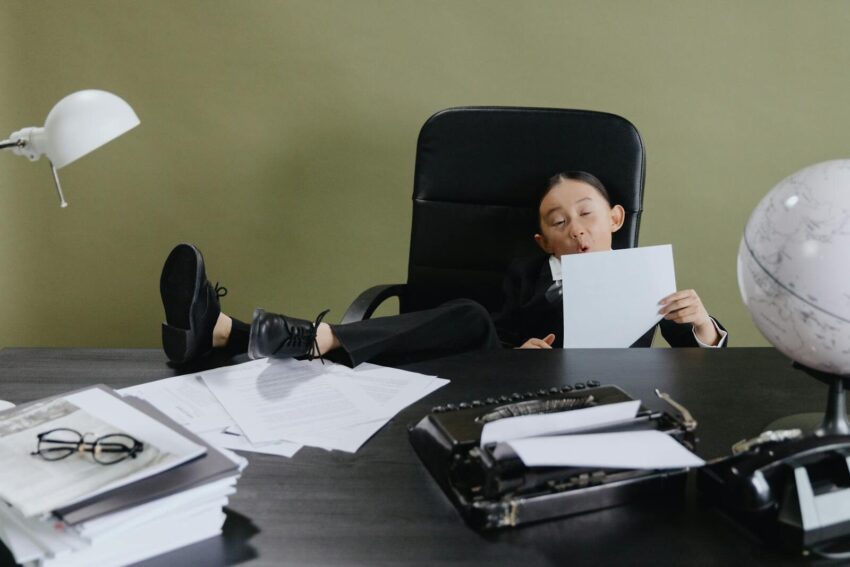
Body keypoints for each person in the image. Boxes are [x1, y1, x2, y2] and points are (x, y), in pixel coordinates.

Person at [159, 171, 726, 368]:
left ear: (616, 218)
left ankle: (233, 333)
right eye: (558, 222)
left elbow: (695, 353)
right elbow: (495, 333)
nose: (575, 229)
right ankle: (232, 334)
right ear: (543, 240)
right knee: (471, 316)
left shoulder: (643, 274)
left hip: (606, 391)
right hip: (513, 376)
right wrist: (520, 351)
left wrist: (701, 324)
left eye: (587, 214)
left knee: (459, 321)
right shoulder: (529, 273)